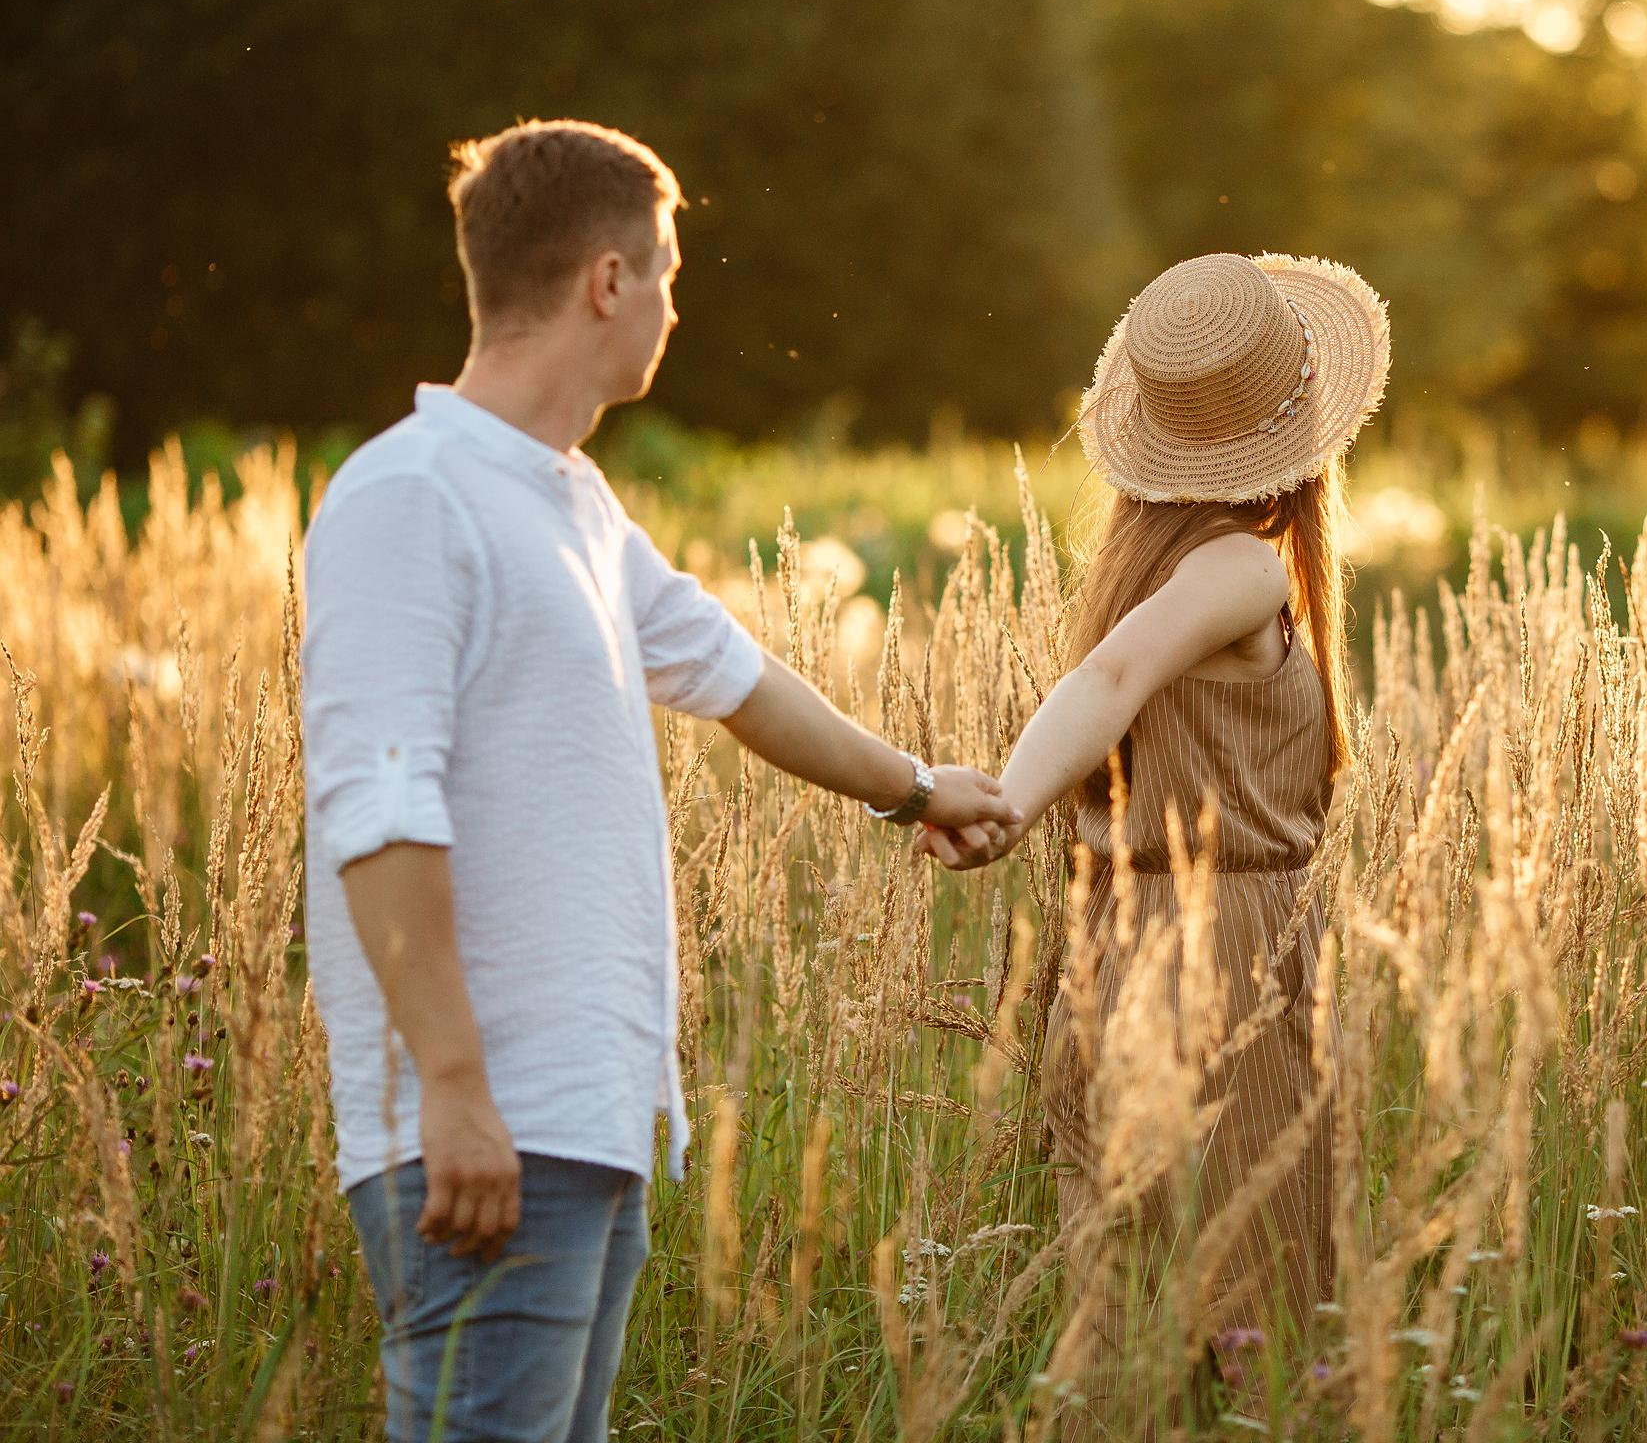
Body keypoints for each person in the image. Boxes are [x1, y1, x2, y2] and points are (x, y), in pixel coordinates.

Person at [299, 120, 1018, 1443]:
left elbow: (735, 677)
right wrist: (453, 1087)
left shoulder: (570, 504)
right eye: (670, 271)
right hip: (489, 1129)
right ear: (607, 283)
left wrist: (919, 789)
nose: (678, 304)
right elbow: (379, 809)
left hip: (590, 1120)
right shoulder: (411, 497)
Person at [924, 251, 1387, 1431]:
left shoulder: (1153, 560)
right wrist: (1011, 800)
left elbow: (1109, 669)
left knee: (1121, 1297)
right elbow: (1110, 676)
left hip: (1125, 937)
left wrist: (1020, 803)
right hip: (1222, 944)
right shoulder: (1235, 566)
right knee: (1259, 1306)